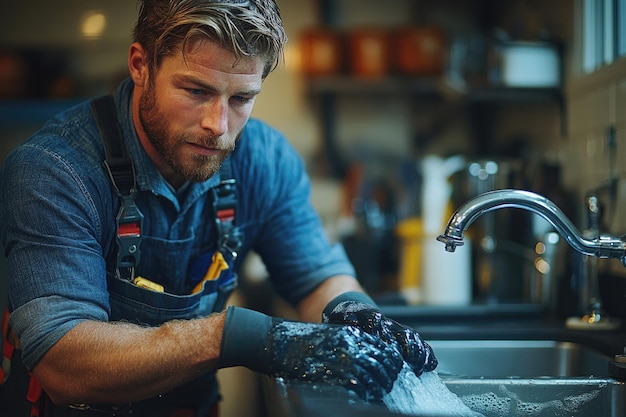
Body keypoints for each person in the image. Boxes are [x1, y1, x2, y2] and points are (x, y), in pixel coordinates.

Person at [0, 1, 437, 416]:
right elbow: (63, 363)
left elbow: (315, 276)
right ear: (140, 65)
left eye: (241, 99)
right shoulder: (54, 170)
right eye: (195, 90)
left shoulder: (263, 159)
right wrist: (242, 338)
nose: (218, 126)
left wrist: (353, 310)